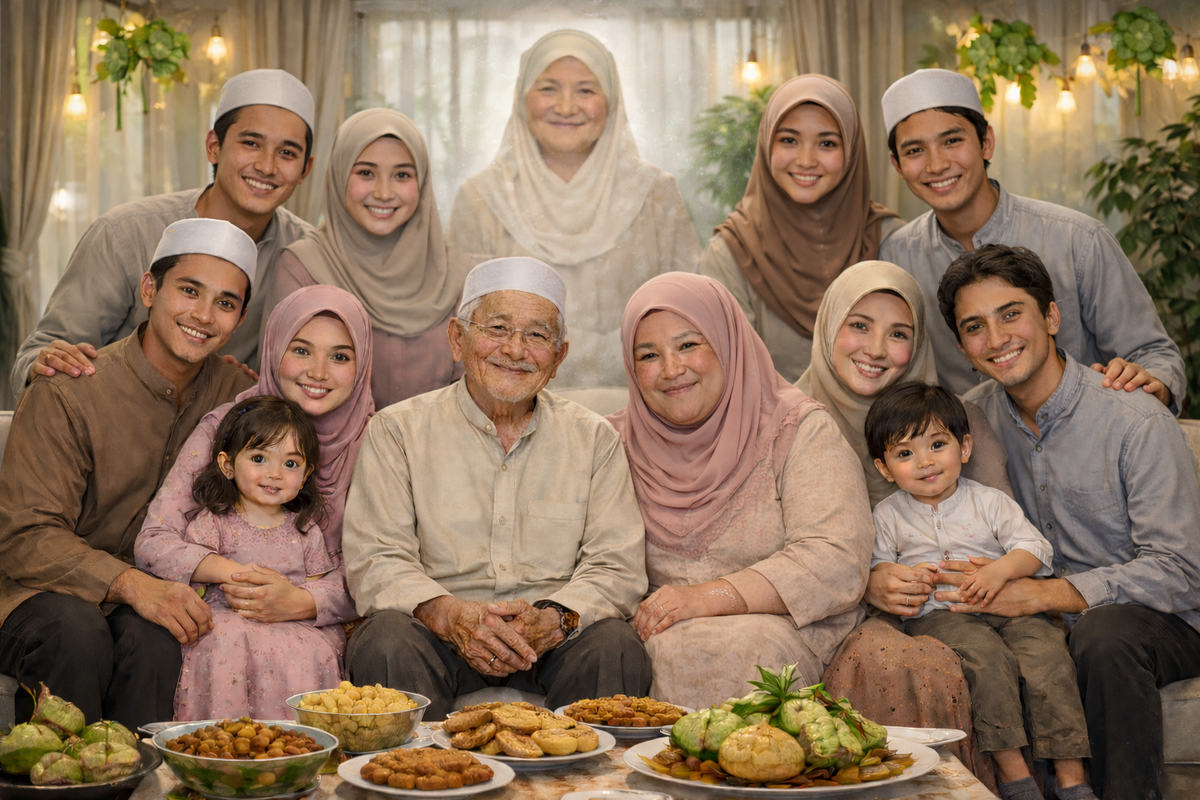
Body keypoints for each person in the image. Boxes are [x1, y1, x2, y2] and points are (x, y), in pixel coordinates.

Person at [937, 244, 1200, 800]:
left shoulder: (1135, 418)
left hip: (1164, 621)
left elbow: (1182, 570)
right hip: (1041, 622)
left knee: (1104, 637)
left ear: (1051, 317)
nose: (997, 338)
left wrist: (1046, 594)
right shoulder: (969, 424)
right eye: (975, 327)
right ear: (963, 347)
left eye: (1011, 314)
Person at [342, 257, 651, 718]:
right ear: (457, 338)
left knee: (615, 645)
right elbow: (376, 557)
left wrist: (554, 618)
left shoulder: (593, 439)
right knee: (384, 641)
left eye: (537, 335)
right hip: (439, 632)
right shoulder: (397, 431)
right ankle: (419, 765)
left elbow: (616, 564)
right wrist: (449, 614)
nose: (515, 349)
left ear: (559, 357)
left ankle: (585, 767)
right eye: (498, 328)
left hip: (551, 637)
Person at [0, 219, 258, 728]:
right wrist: (132, 584)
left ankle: (143, 773)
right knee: (76, 633)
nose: (203, 316)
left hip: (152, 600)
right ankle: (60, 773)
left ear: (240, 320)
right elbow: (25, 535)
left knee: (160, 641)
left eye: (225, 303)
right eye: (189, 291)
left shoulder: (236, 396)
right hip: (34, 595)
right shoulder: (69, 388)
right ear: (149, 289)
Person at [605, 272, 873, 709]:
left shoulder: (798, 429)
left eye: (688, 345)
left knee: (740, 651)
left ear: (727, 342)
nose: (671, 370)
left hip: (779, 633)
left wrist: (706, 598)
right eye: (649, 355)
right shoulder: (610, 444)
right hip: (653, 637)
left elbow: (836, 560)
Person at [799, 259, 1013, 791]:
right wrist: (866, 580)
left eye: (898, 334)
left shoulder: (958, 422)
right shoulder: (787, 420)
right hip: (820, 613)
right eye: (859, 325)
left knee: (917, 660)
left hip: (947, 612)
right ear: (828, 325)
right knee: (885, 658)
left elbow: (1003, 535)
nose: (876, 349)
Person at [878, 68, 1185, 413]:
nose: (936, 164)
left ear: (986, 142)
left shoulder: (1077, 239)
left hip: (1083, 436)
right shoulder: (895, 257)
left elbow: (1155, 356)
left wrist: (1152, 383)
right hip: (963, 444)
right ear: (897, 165)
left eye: (952, 141)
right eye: (915, 150)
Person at [12, 69, 317, 396]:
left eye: (287, 153)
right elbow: (40, 355)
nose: (267, 166)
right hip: (113, 418)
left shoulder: (307, 255)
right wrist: (46, 366)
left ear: (305, 169)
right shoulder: (126, 233)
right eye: (251, 143)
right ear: (214, 146)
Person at [866, 382, 1094, 800]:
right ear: (884, 468)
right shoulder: (888, 515)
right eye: (905, 453)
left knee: (1049, 659)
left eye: (937, 445)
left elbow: (1035, 549)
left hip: (1011, 609)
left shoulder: (990, 502)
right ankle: (1016, 777)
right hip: (943, 616)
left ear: (965, 447)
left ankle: (1072, 779)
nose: (925, 462)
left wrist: (999, 572)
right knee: (986, 662)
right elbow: (878, 569)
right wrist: (903, 576)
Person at [136, 285, 373, 686]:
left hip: (315, 630)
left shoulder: (380, 440)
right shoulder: (227, 427)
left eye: (339, 356)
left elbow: (382, 566)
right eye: (301, 350)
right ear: (273, 348)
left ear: (363, 362)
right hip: (226, 623)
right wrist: (235, 576)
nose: (318, 372)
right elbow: (155, 539)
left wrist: (302, 600)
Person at [448, 29, 700, 388]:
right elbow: (467, 334)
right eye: (548, 88)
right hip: (510, 405)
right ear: (522, 98)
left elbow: (690, 316)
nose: (566, 107)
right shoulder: (481, 198)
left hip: (640, 403)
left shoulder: (655, 193)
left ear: (612, 100)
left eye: (585, 90)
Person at [138, 396, 341, 720]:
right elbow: (193, 583)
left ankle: (296, 741)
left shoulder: (306, 530)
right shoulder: (213, 522)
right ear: (227, 465)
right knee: (223, 638)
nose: (275, 474)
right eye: (259, 458)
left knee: (314, 648)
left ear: (305, 475)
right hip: (228, 619)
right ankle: (226, 738)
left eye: (290, 464)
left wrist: (293, 600)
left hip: (289, 623)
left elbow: (318, 585)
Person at [264, 108, 474, 410]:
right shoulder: (302, 267)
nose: (384, 193)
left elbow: (471, 393)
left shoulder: (459, 275)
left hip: (437, 439)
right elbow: (280, 392)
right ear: (339, 175)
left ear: (423, 181)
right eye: (365, 173)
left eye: (402, 175)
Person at [702, 74, 901, 382]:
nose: (806, 160)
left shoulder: (889, 241)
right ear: (766, 144)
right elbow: (733, 379)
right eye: (789, 140)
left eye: (827, 143)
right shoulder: (731, 252)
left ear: (852, 151)